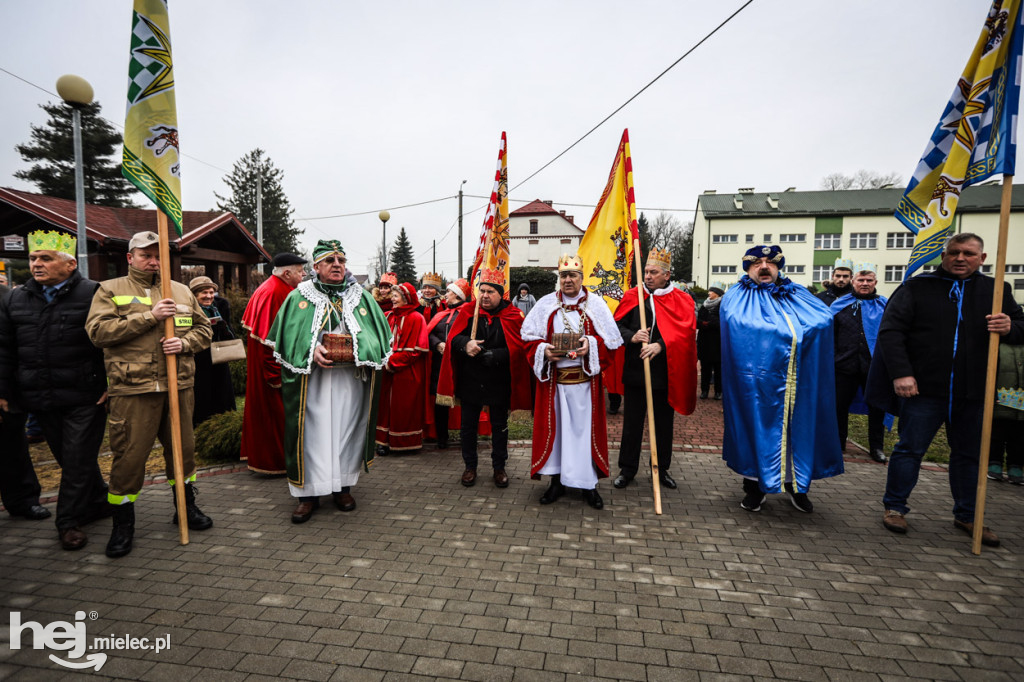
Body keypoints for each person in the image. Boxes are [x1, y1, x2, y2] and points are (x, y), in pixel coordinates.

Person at [869, 233, 1024, 546]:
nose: (960, 258)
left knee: (970, 455)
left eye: (969, 253)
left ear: (982, 258)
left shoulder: (996, 291)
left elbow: (1020, 326)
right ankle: (895, 507)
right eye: (954, 252)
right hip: (924, 389)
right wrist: (902, 374)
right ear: (944, 255)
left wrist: (1010, 327)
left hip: (974, 391)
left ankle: (968, 515)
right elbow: (891, 331)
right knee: (910, 449)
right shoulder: (917, 287)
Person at [86, 231, 214, 558]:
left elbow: (204, 330)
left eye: (158, 255)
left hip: (178, 386)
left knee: (183, 452)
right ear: (130, 258)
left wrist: (184, 343)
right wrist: (149, 317)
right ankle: (122, 525)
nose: (154, 261)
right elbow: (98, 333)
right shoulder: (110, 289)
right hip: (133, 390)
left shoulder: (182, 290)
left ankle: (186, 509)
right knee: (129, 458)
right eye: (146, 255)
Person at [267, 240, 392, 523]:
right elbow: (285, 338)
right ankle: (306, 496)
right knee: (313, 435)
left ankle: (342, 487)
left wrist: (361, 349)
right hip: (314, 384)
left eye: (341, 261)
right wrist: (311, 351)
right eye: (330, 261)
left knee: (347, 432)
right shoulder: (299, 296)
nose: (337, 265)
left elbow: (379, 338)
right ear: (317, 266)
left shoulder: (362, 297)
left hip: (350, 381)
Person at [0, 231, 108, 550]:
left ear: (70, 263)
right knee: (68, 457)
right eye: (33, 258)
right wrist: (4, 390)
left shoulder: (93, 293)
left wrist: (109, 383)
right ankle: (99, 500)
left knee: (76, 458)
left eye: (46, 258)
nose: (36, 264)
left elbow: (109, 344)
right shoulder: (17, 298)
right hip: (41, 396)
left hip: (85, 395)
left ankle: (68, 522)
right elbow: (5, 348)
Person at [720, 245, 843, 514]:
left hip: (801, 380)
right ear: (748, 268)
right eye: (757, 264)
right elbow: (740, 329)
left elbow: (822, 320)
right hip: (757, 383)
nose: (764, 267)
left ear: (778, 266)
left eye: (770, 263)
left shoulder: (798, 293)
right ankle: (755, 489)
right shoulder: (737, 297)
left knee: (800, 431)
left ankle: (798, 488)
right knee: (759, 431)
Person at [522, 254, 624, 509]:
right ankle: (556, 482)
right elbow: (528, 339)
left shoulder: (597, 305)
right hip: (554, 385)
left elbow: (611, 346)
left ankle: (588, 485)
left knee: (582, 436)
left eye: (572, 275)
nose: (567, 280)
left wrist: (589, 344)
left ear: (581, 278)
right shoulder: (545, 304)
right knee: (558, 436)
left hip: (585, 386)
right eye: (563, 276)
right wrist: (543, 350)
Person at [612, 248, 697, 491]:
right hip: (636, 372)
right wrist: (633, 336)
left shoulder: (681, 299)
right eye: (646, 272)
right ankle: (627, 469)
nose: (648, 276)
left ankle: (661, 469)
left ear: (666, 275)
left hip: (664, 374)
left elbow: (686, 333)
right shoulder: (632, 296)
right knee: (632, 425)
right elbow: (617, 325)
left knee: (662, 425)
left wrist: (661, 345)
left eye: (653, 272)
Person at [438, 269, 531, 487]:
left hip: (499, 380)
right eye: (482, 291)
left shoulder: (513, 315)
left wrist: (498, 355)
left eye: (490, 291)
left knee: (499, 426)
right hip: (471, 379)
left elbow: (520, 348)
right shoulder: (469, 311)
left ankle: (499, 467)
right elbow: (454, 338)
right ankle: (470, 466)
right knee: (468, 427)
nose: (485, 296)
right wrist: (466, 344)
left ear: (501, 294)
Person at [240, 253, 307, 475]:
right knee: (276, 418)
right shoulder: (276, 292)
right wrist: (276, 376)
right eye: (300, 271)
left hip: (269, 366)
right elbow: (269, 340)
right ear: (287, 273)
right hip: (273, 369)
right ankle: (276, 462)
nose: (304, 274)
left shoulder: (274, 287)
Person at [830, 265, 887, 463]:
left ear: (875, 283)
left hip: (873, 366)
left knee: (877, 407)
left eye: (869, 280)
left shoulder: (884, 306)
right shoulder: (840, 304)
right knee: (839, 407)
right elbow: (830, 334)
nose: (865, 284)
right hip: (844, 365)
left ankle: (876, 447)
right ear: (853, 282)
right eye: (861, 280)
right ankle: (838, 444)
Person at [376, 282, 429, 453]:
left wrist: (392, 362)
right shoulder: (388, 316)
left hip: (408, 371)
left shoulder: (416, 318)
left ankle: (405, 442)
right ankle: (383, 441)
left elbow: (416, 351)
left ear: (406, 298)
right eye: (392, 295)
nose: (392, 298)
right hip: (387, 369)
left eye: (396, 296)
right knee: (385, 407)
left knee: (405, 407)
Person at [426, 278, 471, 450]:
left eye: (449, 292)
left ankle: (465, 436)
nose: (446, 295)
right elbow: (429, 333)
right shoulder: (440, 314)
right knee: (440, 402)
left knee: (463, 401)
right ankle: (441, 437)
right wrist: (437, 344)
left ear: (458, 296)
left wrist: (454, 346)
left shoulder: (466, 314)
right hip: (439, 364)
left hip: (460, 364)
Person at [189, 276, 236, 426]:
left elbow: (230, 332)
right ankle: (201, 424)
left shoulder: (221, 305)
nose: (209, 296)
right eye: (204, 293)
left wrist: (222, 327)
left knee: (222, 390)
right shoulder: (187, 309)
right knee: (201, 392)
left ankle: (223, 421)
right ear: (194, 295)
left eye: (211, 292)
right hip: (198, 357)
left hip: (218, 355)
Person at [989, 343, 1024, 485]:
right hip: (999, 400)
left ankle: (1016, 465)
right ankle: (993, 462)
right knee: (997, 432)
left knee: (1020, 435)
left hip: (1021, 405)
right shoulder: (997, 343)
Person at [697, 285, 724, 400]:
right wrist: (705, 324)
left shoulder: (722, 306)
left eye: (711, 291)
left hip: (718, 343)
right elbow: (697, 321)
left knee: (718, 369)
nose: (709, 293)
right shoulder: (704, 306)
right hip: (705, 342)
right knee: (705, 368)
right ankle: (704, 391)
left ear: (717, 294)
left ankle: (718, 391)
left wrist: (707, 324)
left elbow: (720, 323)